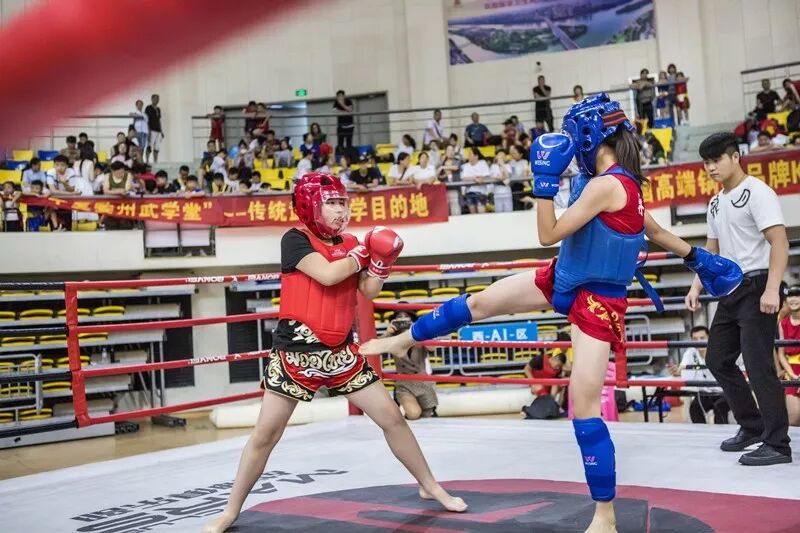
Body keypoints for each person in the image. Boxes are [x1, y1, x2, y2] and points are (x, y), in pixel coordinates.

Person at [362, 93, 743, 533]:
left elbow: (547, 232)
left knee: (584, 407)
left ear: (590, 136)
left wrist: (542, 181)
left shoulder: (606, 185)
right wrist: (697, 257)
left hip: (597, 300)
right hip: (562, 277)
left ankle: (605, 516)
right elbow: (653, 230)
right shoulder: (617, 183)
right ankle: (403, 339)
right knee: (480, 302)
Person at [202, 173, 466, 533]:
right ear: (311, 206)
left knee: (392, 418)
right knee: (266, 435)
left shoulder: (352, 242)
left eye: (343, 202)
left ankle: (429, 484)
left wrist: (382, 263)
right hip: (297, 352)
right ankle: (230, 510)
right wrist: (365, 252)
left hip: (342, 352)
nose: (341, 210)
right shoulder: (295, 239)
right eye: (332, 203)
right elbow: (327, 275)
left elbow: (368, 291)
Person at [685, 131, 791, 466]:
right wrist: (696, 286)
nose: (710, 167)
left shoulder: (757, 192)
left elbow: (779, 242)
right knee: (717, 359)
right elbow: (711, 252)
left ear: (735, 157)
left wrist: (773, 288)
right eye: (706, 162)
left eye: (716, 160)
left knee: (759, 367)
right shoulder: (715, 203)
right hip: (730, 290)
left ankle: (778, 444)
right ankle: (752, 426)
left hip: (758, 285)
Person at [670, 326, 733, 424]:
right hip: (704, 394)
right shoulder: (690, 352)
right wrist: (675, 371)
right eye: (695, 339)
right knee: (694, 408)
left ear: (709, 338)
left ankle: (723, 433)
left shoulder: (719, 350)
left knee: (719, 407)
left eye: (702, 338)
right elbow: (681, 368)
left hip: (723, 393)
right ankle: (702, 432)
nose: (698, 342)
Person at [384, 310, 438, 420]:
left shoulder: (419, 333)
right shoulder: (392, 338)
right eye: (399, 317)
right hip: (404, 383)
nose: (402, 320)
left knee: (428, 415)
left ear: (412, 320)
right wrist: (388, 333)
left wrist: (419, 331)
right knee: (414, 414)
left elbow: (432, 347)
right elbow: (377, 347)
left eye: (406, 317)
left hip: (422, 381)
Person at [777, 286, 800, 426]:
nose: (793, 299)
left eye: (797, 295)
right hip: (791, 372)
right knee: (794, 417)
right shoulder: (783, 322)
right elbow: (781, 353)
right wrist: (793, 376)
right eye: (790, 296)